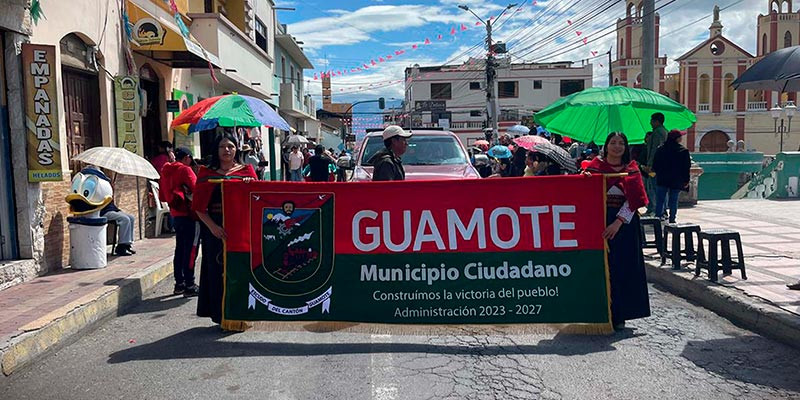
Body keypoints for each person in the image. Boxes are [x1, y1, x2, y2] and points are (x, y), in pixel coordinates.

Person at [585, 132, 651, 331]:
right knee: (600, 269)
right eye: (613, 142)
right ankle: (599, 312)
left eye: (621, 143)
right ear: (605, 146)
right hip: (599, 223)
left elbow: (635, 201)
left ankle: (620, 314)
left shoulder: (632, 170)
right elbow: (582, 195)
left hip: (624, 227)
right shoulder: (594, 168)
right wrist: (585, 179)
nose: (617, 146)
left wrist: (617, 223)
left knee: (623, 269)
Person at [192, 132, 257, 325]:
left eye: (230, 146)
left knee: (241, 270)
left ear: (237, 149)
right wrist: (213, 228)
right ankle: (221, 316)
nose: (227, 150)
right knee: (216, 271)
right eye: (222, 146)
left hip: (240, 229)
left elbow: (258, 198)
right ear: (216, 150)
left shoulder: (246, 171)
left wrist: (250, 185)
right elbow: (198, 207)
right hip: (215, 231)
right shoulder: (206, 174)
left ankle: (241, 313)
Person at [160, 147, 199, 296]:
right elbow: (197, 190)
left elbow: (163, 195)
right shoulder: (185, 170)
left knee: (180, 249)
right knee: (191, 250)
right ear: (187, 157)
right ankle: (190, 284)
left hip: (175, 215)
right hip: (190, 215)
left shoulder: (166, 171)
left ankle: (179, 283)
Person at [652, 130, 691, 223]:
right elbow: (686, 167)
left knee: (660, 200)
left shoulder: (660, 149)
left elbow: (655, 165)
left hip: (662, 179)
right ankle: (672, 219)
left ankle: (657, 218)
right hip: (676, 180)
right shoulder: (683, 151)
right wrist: (686, 180)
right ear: (677, 138)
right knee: (673, 200)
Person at [643, 113, 667, 215]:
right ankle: (662, 210)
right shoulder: (665, 131)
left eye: (652, 121)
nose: (650, 123)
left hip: (655, 167)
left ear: (657, 121)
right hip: (662, 166)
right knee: (661, 189)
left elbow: (654, 150)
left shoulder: (658, 133)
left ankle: (656, 210)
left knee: (654, 188)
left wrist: (650, 165)